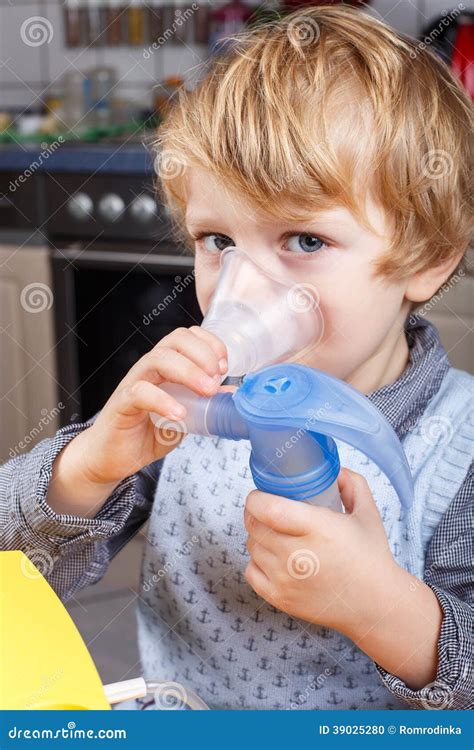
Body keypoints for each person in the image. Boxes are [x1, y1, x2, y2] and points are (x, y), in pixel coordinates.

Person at [1, 6, 472, 710]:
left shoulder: (460, 448)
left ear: (426, 261)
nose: (243, 291)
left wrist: (384, 611)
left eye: (305, 241)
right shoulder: (195, 407)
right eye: (218, 240)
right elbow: (23, 569)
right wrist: (89, 466)